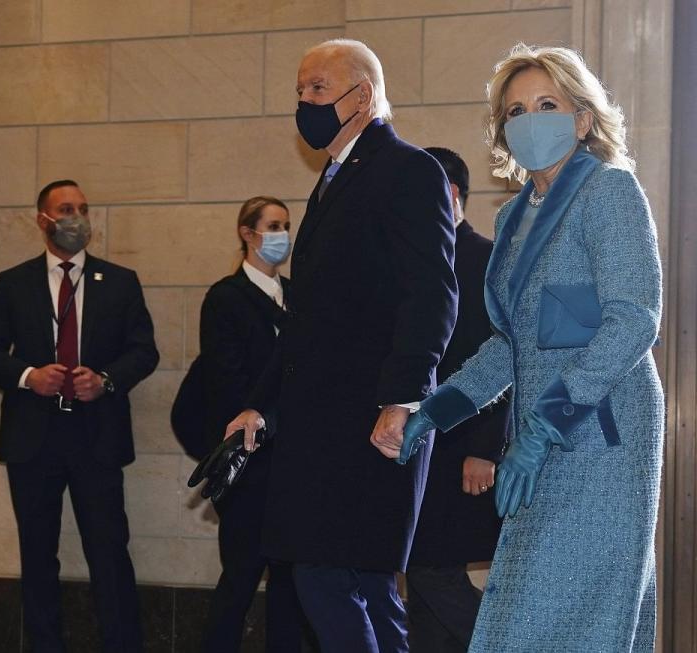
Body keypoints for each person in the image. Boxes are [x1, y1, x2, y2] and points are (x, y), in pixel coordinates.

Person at [392, 44, 663, 651]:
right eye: (514, 111)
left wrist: (543, 429)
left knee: (574, 611)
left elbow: (633, 321)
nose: (529, 120)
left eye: (546, 104)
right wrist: (436, 411)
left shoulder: (609, 192)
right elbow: (509, 346)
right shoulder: (518, 215)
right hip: (542, 441)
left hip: (603, 437)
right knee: (525, 613)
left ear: (583, 118)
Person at [225, 39, 459, 652]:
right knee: (355, 580)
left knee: (328, 573)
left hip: (369, 417)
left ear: (366, 94)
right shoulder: (334, 179)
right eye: (300, 91)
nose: (305, 102)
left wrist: (405, 397)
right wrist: (261, 403)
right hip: (322, 421)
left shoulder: (408, 169)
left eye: (319, 89)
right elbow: (310, 319)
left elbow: (431, 294)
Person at [0, 180, 159, 653]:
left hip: (97, 438)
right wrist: (28, 375)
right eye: (66, 209)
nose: (77, 217)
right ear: (43, 220)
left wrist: (107, 381)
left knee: (110, 555)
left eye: (83, 208)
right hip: (33, 438)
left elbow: (144, 352)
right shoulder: (13, 282)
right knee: (38, 557)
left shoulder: (120, 280)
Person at [404, 147, 509, 653]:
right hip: (423, 443)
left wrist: (486, 448)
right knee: (422, 580)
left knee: (428, 567)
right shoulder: (420, 258)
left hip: (464, 447)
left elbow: (504, 356)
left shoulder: (485, 258)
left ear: (450, 194)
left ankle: (503, 644)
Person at [197, 196, 308, 652]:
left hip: (292, 465)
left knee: (289, 581)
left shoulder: (298, 296)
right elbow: (227, 380)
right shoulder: (226, 298)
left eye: (286, 225)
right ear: (247, 233)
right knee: (241, 575)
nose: (281, 234)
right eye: (272, 225)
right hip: (250, 461)